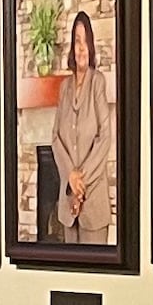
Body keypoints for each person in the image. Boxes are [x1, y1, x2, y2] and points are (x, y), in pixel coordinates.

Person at [51, 15, 116, 244]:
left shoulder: (97, 82)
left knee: (95, 278)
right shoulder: (64, 88)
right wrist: (70, 176)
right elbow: (56, 138)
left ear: (91, 45)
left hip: (93, 206)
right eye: (77, 41)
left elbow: (105, 137)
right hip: (68, 207)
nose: (81, 48)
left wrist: (81, 182)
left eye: (85, 41)